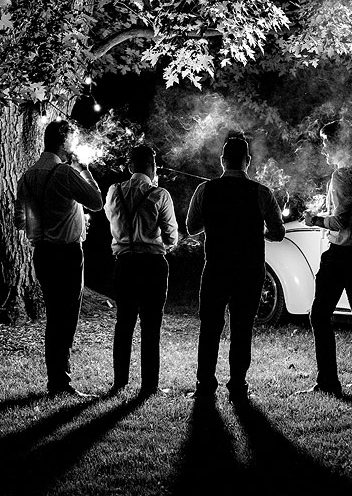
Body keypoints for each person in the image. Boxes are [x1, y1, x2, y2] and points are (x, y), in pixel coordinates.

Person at [185, 132, 285, 402]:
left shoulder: (205, 190)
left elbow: (192, 227)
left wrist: (216, 221)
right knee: (242, 328)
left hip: (216, 266)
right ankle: (238, 384)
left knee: (210, 328)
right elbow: (278, 232)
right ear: (247, 161)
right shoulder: (261, 193)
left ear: (222, 160)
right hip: (249, 270)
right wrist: (258, 230)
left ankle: (205, 383)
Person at [15, 118, 104, 396]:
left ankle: (57, 381)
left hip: (42, 253)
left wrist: (54, 220)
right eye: (73, 140)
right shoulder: (66, 173)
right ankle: (60, 384)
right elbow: (96, 202)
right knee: (66, 319)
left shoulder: (27, 175)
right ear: (64, 141)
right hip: (66, 254)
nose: (76, 145)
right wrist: (86, 169)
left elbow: (20, 220)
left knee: (55, 317)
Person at [304, 119, 352, 395]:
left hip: (341, 254)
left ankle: (328, 380)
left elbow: (340, 221)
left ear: (338, 144)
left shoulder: (342, 177)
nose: (323, 149)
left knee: (319, 314)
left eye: (326, 143)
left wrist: (315, 219)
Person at [104, 144, 179, 396]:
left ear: (129, 167)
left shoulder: (114, 191)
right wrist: (164, 243)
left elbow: (111, 219)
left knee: (123, 323)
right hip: (152, 265)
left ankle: (119, 382)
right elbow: (171, 236)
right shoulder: (160, 195)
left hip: (124, 263)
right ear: (154, 167)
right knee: (151, 326)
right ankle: (149, 385)